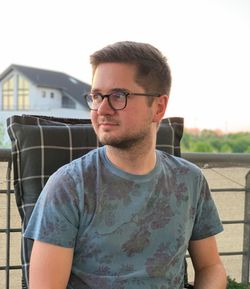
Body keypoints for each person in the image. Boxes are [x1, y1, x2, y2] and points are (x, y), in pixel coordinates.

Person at [24, 41, 227, 289]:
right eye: (97, 96)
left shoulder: (190, 180)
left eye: (119, 96)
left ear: (159, 107)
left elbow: (210, 267)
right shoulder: (69, 186)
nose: (102, 109)